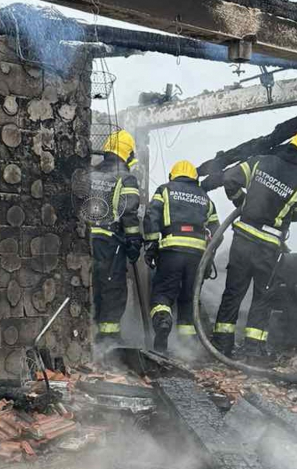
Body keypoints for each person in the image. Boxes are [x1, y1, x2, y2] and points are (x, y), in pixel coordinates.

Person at [210, 127, 297, 360]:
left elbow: (230, 178)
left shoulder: (260, 161)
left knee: (233, 292)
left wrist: (242, 202)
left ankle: (221, 346)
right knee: (262, 297)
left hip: (243, 240)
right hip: (268, 248)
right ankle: (253, 351)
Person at [143, 160, 220, 353]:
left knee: (162, 294)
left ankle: (162, 322)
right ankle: (186, 350)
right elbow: (217, 231)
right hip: (197, 256)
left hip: (171, 251)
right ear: (195, 178)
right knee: (188, 299)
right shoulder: (205, 198)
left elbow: (151, 217)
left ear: (172, 175)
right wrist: (208, 259)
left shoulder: (165, 190)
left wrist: (151, 247)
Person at [89, 129, 142, 346]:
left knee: (91, 286)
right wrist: (134, 244)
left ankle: (89, 336)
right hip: (111, 242)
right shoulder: (126, 178)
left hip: (87, 239)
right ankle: (109, 340)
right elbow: (129, 214)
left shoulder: (91, 173)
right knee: (112, 289)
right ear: (128, 153)